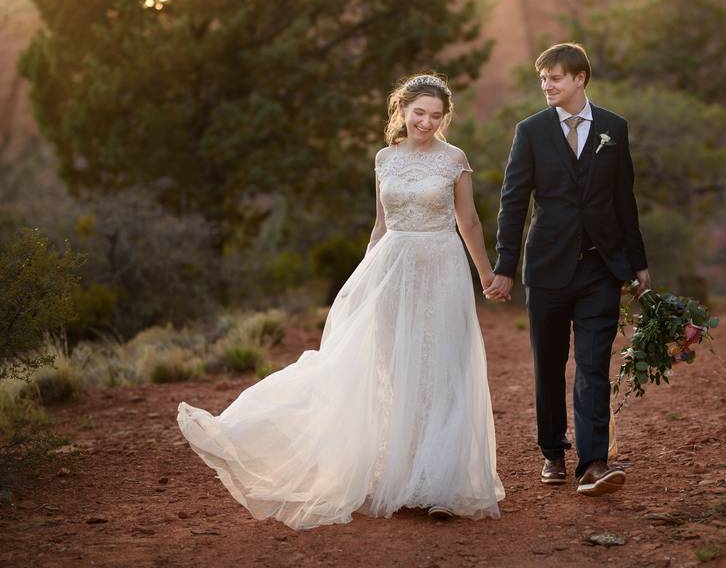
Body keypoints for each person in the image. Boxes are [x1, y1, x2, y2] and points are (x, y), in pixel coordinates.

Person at [178, 74, 505, 529]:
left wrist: (486, 274)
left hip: (442, 267)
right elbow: (380, 224)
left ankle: (440, 484)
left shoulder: (454, 159)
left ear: (444, 118)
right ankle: (405, 473)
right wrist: (363, 278)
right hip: (393, 267)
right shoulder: (384, 159)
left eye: (435, 115)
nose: (426, 122)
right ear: (402, 110)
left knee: (441, 366)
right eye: (419, 113)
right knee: (396, 368)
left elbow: (467, 220)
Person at [483, 43, 651, 496]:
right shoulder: (530, 131)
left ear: (580, 79)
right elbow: (513, 203)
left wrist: (637, 263)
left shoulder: (614, 128)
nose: (547, 86)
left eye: (555, 78)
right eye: (543, 80)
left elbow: (624, 201)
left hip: (601, 268)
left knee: (593, 365)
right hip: (547, 267)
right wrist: (505, 266)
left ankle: (594, 462)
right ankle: (553, 452)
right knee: (549, 364)